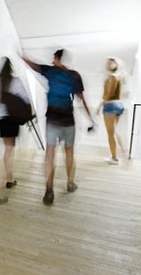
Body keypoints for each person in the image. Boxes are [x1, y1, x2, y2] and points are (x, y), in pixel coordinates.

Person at [22, 49, 94, 205]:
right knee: (69, 152)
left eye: (53, 59)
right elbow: (81, 100)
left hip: (53, 120)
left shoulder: (51, 71)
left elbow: (32, 65)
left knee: (50, 153)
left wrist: (22, 55)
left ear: (56, 58)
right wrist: (91, 120)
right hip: (68, 120)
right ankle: (70, 182)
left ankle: (49, 190)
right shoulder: (74, 76)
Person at [0, 57, 31, 189]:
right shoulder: (15, 81)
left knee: (7, 148)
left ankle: (9, 177)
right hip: (12, 119)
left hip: (1, 119)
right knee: (10, 149)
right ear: (10, 68)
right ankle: (9, 179)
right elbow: (25, 99)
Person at [97, 58, 125, 165]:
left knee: (110, 133)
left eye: (111, 63)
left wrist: (100, 105)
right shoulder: (119, 76)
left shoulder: (111, 77)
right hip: (119, 104)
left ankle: (114, 158)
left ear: (116, 65)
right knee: (114, 131)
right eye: (107, 63)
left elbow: (108, 93)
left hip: (110, 105)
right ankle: (123, 151)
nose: (108, 64)